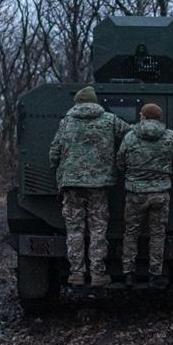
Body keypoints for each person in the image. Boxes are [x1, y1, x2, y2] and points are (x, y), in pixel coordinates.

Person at [48, 86, 131, 287]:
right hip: (99, 185)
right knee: (98, 229)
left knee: (74, 229)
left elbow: (54, 152)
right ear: (95, 102)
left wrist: (59, 169)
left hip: (71, 184)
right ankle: (97, 274)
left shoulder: (66, 122)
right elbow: (131, 136)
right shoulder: (110, 120)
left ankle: (76, 273)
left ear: (77, 103)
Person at [116, 102, 173, 289]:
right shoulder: (169, 136)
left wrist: (132, 174)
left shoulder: (130, 136)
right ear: (159, 118)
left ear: (143, 116)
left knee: (130, 234)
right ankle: (155, 274)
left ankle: (128, 274)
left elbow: (120, 161)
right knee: (157, 235)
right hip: (159, 193)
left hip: (135, 194)